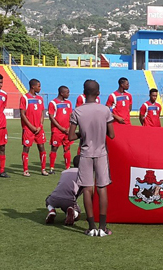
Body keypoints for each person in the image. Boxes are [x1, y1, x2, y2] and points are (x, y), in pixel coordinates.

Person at [68, 80, 115, 237]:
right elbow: (112, 135)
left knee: (88, 189)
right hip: (101, 153)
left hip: (85, 154)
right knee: (102, 189)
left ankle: (91, 227)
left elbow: (70, 136)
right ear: (98, 93)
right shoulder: (105, 110)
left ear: (83, 92)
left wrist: (83, 133)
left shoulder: (77, 112)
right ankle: (103, 227)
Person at [20, 79, 48, 177]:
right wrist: (31, 126)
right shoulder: (24, 98)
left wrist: (40, 125)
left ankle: (43, 169)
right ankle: (25, 170)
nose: (40, 88)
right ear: (33, 86)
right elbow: (22, 114)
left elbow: (41, 113)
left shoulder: (40, 99)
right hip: (28, 129)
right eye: (39, 86)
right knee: (26, 148)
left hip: (39, 129)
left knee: (41, 147)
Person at [45, 156, 83, 226]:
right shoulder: (83, 174)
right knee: (78, 215)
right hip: (68, 199)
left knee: (48, 200)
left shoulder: (64, 172)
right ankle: (74, 213)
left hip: (54, 197)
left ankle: (52, 210)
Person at [48, 86, 74, 172]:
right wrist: (61, 128)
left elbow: (70, 115)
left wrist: (69, 127)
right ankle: (51, 167)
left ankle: (67, 167)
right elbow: (51, 117)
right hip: (57, 131)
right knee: (54, 148)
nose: (68, 94)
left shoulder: (69, 103)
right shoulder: (53, 103)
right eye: (67, 92)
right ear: (62, 93)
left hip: (67, 130)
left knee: (67, 148)